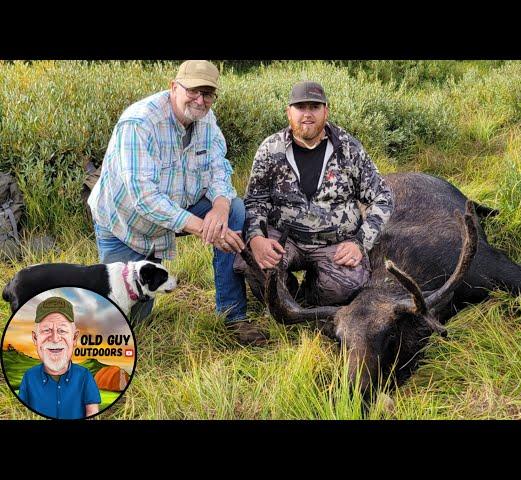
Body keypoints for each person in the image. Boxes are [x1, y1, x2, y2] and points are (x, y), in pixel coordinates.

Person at [88, 60, 266, 345]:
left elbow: (219, 168)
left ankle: (232, 316)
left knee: (234, 209)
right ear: (174, 87)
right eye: (194, 91)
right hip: (127, 224)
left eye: (208, 94)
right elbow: (144, 199)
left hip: (179, 209)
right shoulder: (139, 123)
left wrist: (220, 206)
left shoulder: (206, 120)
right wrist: (203, 228)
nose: (200, 100)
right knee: (125, 321)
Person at [235, 81, 394, 307]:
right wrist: (257, 238)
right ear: (288, 112)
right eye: (300, 107)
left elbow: (383, 197)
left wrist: (360, 243)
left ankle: (312, 298)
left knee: (344, 287)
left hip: (335, 244)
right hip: (283, 238)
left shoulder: (348, 149)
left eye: (315, 107)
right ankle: (287, 295)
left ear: (326, 111)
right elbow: (255, 201)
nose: (307, 114)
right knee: (252, 262)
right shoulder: (271, 149)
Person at [18, 296, 101, 419]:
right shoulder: (29, 377)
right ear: (35, 338)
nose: (55, 339)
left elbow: (92, 412)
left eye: (62, 330)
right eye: (46, 330)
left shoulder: (84, 376)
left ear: (74, 338)